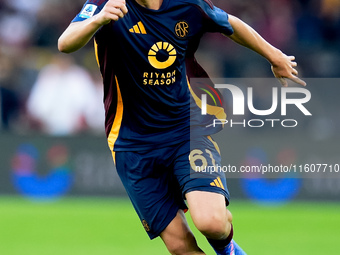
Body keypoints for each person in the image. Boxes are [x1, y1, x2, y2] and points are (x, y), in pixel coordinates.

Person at [58, 0, 306, 254]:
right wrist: (98, 20)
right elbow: (65, 43)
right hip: (132, 143)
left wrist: (274, 55)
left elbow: (230, 23)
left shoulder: (188, 4)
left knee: (211, 223)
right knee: (180, 245)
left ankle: (226, 244)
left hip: (186, 130)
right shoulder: (104, 3)